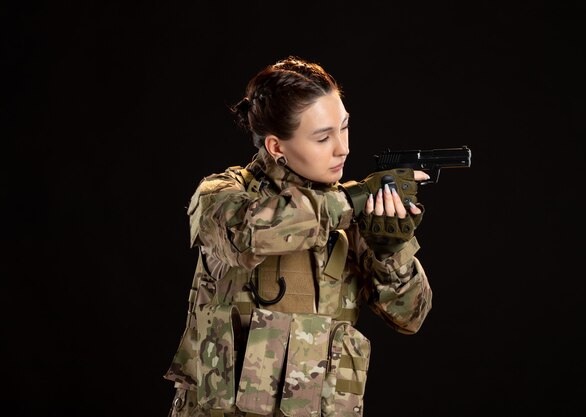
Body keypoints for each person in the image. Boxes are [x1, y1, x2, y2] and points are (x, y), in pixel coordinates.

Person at [164, 56, 433, 417]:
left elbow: (410, 317)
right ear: (276, 147)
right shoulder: (222, 195)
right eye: (323, 137)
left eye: (344, 128)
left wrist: (390, 250)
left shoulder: (351, 216)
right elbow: (249, 234)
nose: (343, 148)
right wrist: (353, 199)